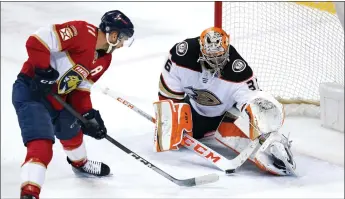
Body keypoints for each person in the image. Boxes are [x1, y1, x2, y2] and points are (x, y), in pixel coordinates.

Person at [12, 10, 134, 199]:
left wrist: (88, 115)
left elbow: (81, 88)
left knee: (72, 132)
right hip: (32, 90)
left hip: (59, 96)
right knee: (41, 143)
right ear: (113, 33)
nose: (123, 43)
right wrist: (43, 71)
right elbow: (36, 41)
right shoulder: (81, 31)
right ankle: (30, 192)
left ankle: (80, 164)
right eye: (123, 38)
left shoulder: (105, 59)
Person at [153, 27, 296, 176]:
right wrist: (168, 117)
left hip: (225, 118)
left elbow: (253, 103)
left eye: (219, 57)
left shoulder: (239, 72)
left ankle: (275, 148)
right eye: (210, 57)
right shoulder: (182, 55)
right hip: (193, 113)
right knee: (171, 137)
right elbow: (168, 88)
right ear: (201, 50)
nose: (215, 62)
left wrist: (264, 134)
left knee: (260, 139)